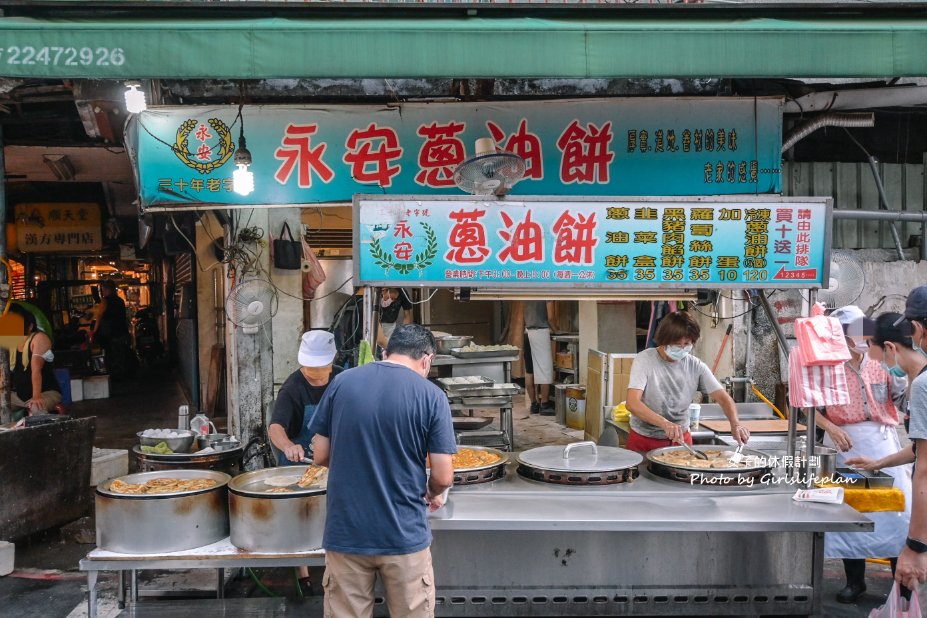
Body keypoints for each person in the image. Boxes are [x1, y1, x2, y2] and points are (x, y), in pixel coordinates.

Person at [309, 324, 456, 618]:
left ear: (385, 353)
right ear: (427, 360)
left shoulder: (342, 383)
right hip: (403, 534)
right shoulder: (431, 396)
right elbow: (443, 476)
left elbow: (321, 454)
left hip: (346, 533)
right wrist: (433, 493)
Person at [816, 309, 911, 604]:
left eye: (865, 332)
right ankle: (855, 582)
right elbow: (807, 410)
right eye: (856, 332)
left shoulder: (882, 360)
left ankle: (901, 585)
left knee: (898, 514)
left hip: (884, 444)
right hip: (848, 446)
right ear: (842, 334)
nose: (863, 338)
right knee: (851, 515)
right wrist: (830, 427)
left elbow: (900, 398)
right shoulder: (828, 366)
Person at [856, 287, 927, 592]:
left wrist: (914, 546)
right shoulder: (917, 383)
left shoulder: (922, 386)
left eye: (876, 354)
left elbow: (925, 468)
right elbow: (917, 449)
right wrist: (880, 462)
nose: (878, 363)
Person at [625, 311, 750, 453]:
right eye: (677, 344)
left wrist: (735, 424)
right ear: (664, 340)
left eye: (687, 344)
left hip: (681, 442)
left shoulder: (695, 365)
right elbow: (632, 403)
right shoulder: (645, 359)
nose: (682, 348)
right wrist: (664, 423)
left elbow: (723, 398)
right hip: (644, 440)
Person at [268, 330, 342, 466]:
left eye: (321, 366)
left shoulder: (342, 379)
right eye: (311, 366)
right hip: (300, 463)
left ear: (333, 358)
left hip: (334, 463)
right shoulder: (292, 388)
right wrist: (288, 446)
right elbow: (275, 427)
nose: (316, 370)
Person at [8, 303, 61, 418]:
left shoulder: (39, 338)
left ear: (30, 326)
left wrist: (36, 398)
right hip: (20, 397)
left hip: (45, 393)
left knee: (36, 407)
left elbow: (36, 370)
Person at [90, 280, 132, 377]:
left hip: (110, 333)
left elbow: (99, 316)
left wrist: (95, 331)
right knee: (121, 354)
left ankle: (113, 374)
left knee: (110, 355)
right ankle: (122, 373)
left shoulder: (105, 301)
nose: (102, 292)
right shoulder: (120, 301)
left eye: (103, 290)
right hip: (121, 332)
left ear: (106, 289)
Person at [523, 301, 555, 415]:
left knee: (529, 370)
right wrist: (556, 329)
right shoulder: (548, 291)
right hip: (540, 332)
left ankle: (534, 404)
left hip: (527, 332)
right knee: (544, 368)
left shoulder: (528, 292)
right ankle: (545, 404)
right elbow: (550, 317)